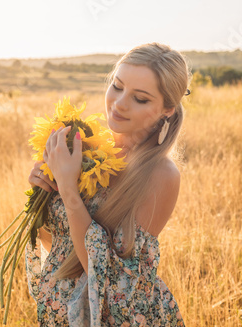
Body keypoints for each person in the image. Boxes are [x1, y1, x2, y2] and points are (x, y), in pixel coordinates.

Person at [25, 42, 191, 326]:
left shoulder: (161, 175)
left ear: (167, 109)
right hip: (64, 313)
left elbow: (111, 279)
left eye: (140, 98)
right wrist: (43, 194)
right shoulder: (89, 151)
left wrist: (67, 189)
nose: (119, 103)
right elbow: (59, 247)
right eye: (117, 85)